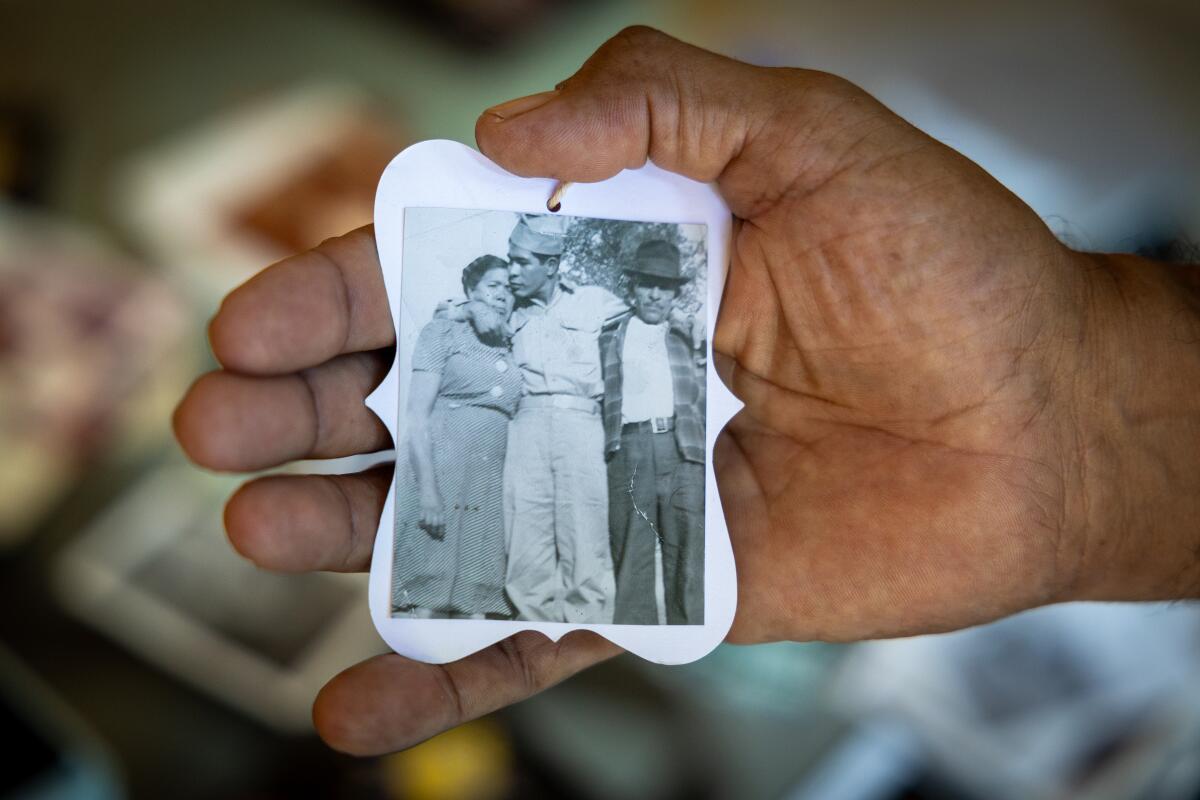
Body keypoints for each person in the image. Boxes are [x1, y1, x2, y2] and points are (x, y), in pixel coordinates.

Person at [174, 27, 1200, 756]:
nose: (539, 275)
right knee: (515, 526)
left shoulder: (632, 308)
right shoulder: (486, 315)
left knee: (568, 527)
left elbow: (635, 392)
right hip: (518, 441)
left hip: (609, 444)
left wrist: (1072, 413)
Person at [502, 213, 628, 623]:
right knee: (525, 535)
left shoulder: (596, 303)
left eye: (522, 262)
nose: (512, 271)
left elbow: (641, 343)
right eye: (510, 260)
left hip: (582, 427)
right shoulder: (506, 312)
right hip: (525, 429)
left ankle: (588, 635)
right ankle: (530, 633)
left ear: (551, 265)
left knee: (584, 533)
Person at [391, 255, 523, 618]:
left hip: (488, 485)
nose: (502, 296)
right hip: (441, 472)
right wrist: (428, 492)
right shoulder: (441, 332)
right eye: (493, 286)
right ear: (469, 291)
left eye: (509, 290)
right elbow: (416, 418)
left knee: (474, 598)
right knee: (425, 595)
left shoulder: (512, 343)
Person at [600, 240, 706, 625]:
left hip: (682, 452)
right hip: (628, 450)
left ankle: (687, 644)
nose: (655, 294)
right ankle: (634, 648)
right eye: (648, 283)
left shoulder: (690, 334)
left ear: (675, 292)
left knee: (690, 561)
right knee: (632, 559)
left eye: (664, 286)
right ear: (634, 287)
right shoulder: (610, 334)